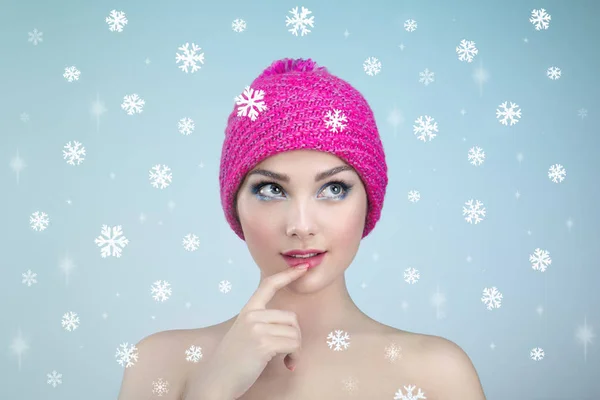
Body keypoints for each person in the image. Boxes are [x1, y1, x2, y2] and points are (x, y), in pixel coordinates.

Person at [117, 58, 487, 399]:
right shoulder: (159, 364)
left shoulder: (438, 374)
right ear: (235, 205)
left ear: (369, 201)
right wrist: (213, 386)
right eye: (271, 190)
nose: (301, 226)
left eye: (333, 189)